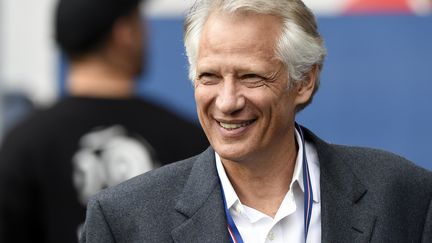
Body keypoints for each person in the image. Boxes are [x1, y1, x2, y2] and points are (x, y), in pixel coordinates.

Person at [80, 0, 432, 242]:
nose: (228, 101)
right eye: (210, 77)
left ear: (304, 81)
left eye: (251, 77)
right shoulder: (124, 221)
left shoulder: (404, 196)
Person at [0, 0, 208, 242]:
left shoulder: (23, 143)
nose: (148, 31)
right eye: (139, 21)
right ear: (123, 34)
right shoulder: (186, 137)